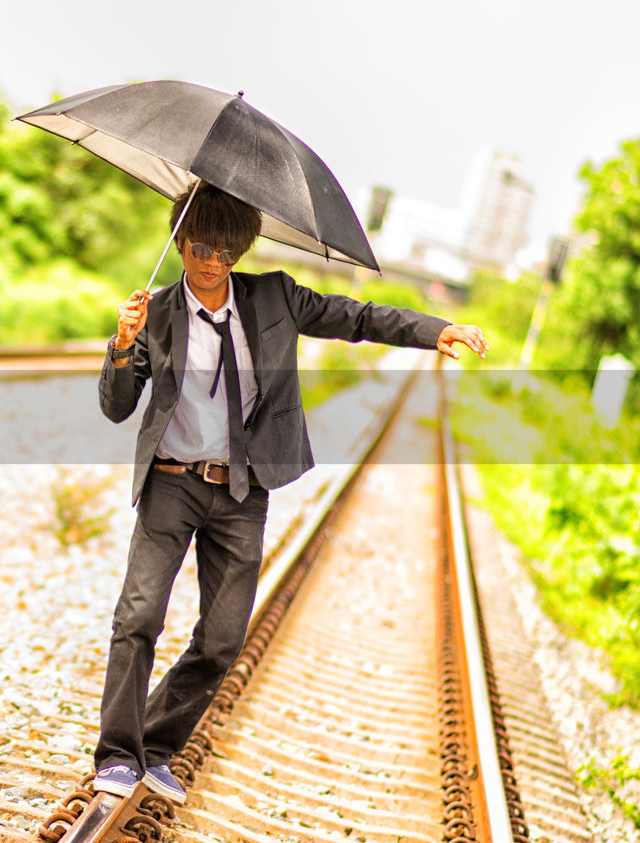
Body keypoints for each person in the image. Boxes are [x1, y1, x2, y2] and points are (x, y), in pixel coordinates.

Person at [92, 185, 488, 804]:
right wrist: (121, 343)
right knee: (138, 617)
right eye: (200, 248)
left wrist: (434, 330)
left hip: (240, 491)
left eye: (226, 253)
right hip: (170, 483)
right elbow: (117, 408)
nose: (212, 263)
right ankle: (118, 754)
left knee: (223, 640)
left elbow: (355, 317)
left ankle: (158, 744)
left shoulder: (273, 297)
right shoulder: (157, 312)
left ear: (240, 253)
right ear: (179, 242)